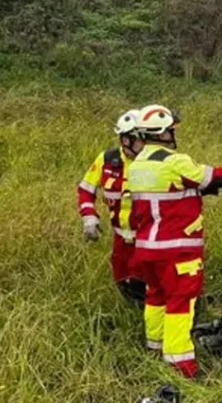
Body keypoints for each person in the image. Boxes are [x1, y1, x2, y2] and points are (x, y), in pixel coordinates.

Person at [127, 104, 222, 379]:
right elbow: (214, 177)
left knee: (156, 297)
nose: (174, 134)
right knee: (180, 303)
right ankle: (180, 367)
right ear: (161, 133)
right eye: (171, 129)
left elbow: (172, 193)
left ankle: (155, 348)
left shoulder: (137, 167)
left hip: (147, 250)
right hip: (176, 251)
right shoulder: (174, 161)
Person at [77, 108, 147, 304]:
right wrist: (89, 217)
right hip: (121, 242)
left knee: (148, 290)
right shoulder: (107, 161)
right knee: (124, 284)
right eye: (143, 138)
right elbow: (85, 189)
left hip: (149, 241)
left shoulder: (156, 163)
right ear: (127, 139)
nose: (148, 143)